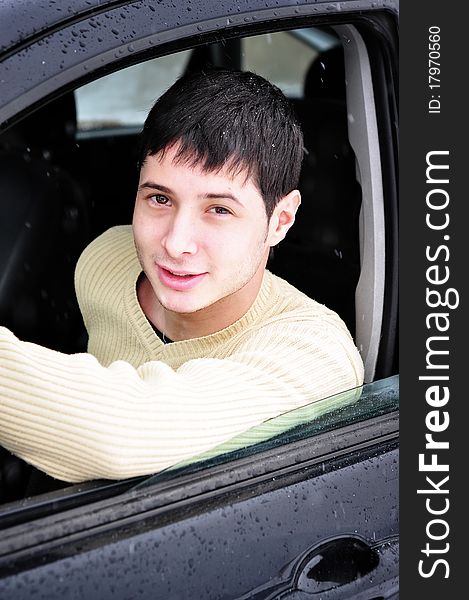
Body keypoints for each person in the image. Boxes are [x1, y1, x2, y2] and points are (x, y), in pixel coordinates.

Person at [0, 69, 364, 483]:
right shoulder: (106, 260)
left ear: (280, 220)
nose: (176, 243)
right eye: (159, 198)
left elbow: (124, 436)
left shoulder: (316, 354)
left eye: (219, 209)